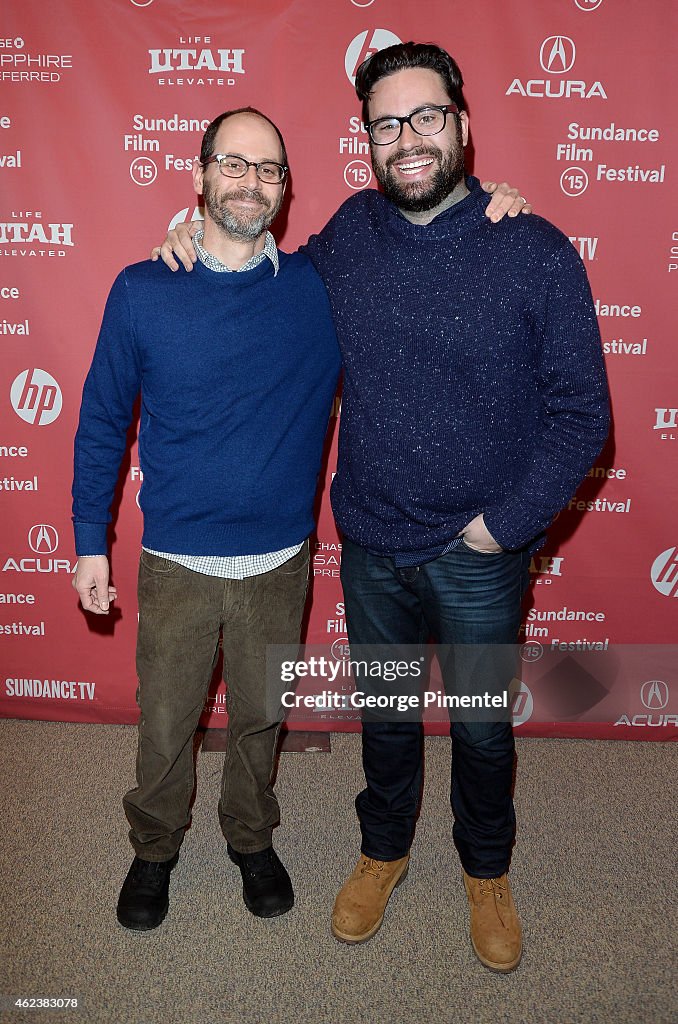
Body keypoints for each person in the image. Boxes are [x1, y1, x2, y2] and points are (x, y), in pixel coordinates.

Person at [159, 42, 609, 972]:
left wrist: (504, 525)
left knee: (483, 728)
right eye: (386, 123)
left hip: (479, 554)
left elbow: (582, 415)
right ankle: (383, 850)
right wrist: (194, 231)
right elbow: (261, 274)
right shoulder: (349, 238)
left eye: (426, 117)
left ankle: (486, 870)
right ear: (367, 139)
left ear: (463, 126)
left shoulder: (534, 249)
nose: (407, 138)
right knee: (389, 718)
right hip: (369, 545)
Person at [72, 108, 342, 930]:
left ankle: (250, 838)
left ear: (285, 190)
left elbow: (413, 244)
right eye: (233, 163)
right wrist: (90, 544)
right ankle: (153, 848)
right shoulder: (143, 288)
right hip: (177, 559)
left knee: (261, 718)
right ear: (199, 176)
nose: (250, 181)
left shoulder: (318, 290)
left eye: (268, 169)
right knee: (166, 723)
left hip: (279, 561)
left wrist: (491, 198)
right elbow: (99, 421)